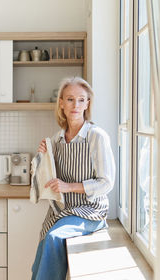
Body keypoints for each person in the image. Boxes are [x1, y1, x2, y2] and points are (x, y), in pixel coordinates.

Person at [31, 77, 115, 280]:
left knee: (53, 238)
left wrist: (68, 187)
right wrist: (44, 157)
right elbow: (48, 181)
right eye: (70, 99)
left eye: (81, 100)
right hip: (62, 211)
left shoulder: (97, 136)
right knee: (38, 263)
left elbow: (107, 183)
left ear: (87, 104)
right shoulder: (56, 139)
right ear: (61, 103)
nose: (75, 105)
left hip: (90, 212)